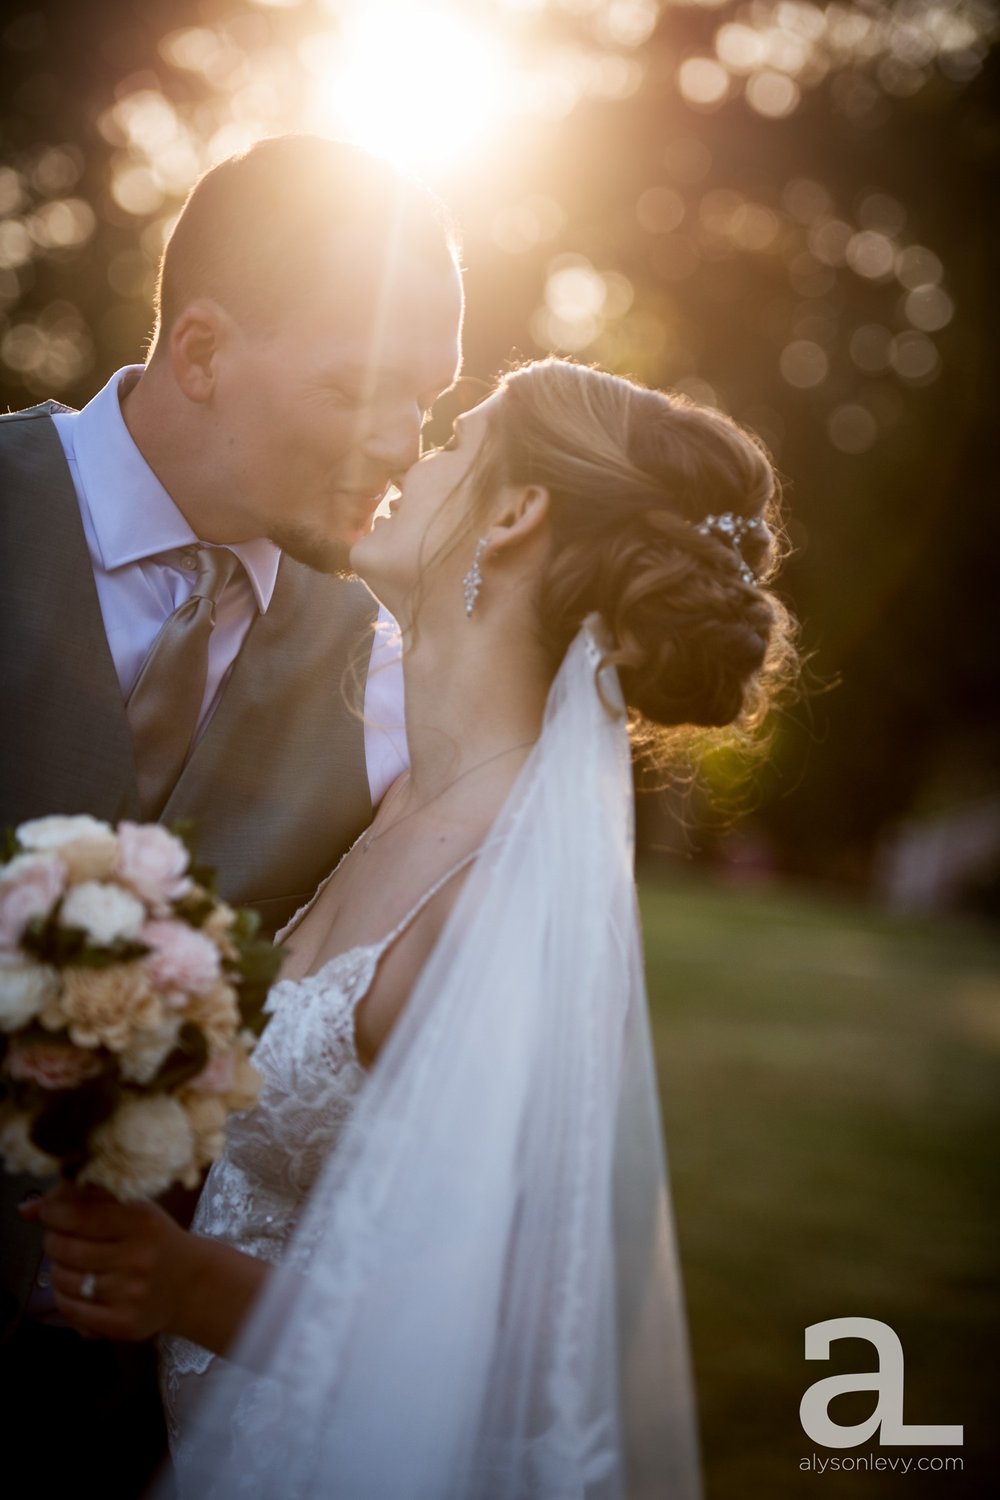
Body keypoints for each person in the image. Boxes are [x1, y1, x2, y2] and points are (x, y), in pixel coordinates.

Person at [27, 358, 800, 1498]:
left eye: (455, 441)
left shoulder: (502, 894)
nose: (408, 456)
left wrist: (193, 1289)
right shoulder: (393, 800)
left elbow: (508, 1343)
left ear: (515, 514)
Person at [0, 133, 463, 1495]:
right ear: (200, 354)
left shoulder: (392, 688)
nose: (400, 444)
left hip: (112, 1419)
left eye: (426, 404)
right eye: (356, 391)